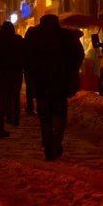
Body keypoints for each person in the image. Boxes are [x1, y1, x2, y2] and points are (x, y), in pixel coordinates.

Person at [25, 14, 85, 161]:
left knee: (44, 117)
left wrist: (31, 80)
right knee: (59, 115)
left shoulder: (34, 37)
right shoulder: (66, 36)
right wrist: (72, 69)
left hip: (41, 83)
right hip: (60, 83)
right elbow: (79, 54)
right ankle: (56, 141)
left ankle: (48, 146)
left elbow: (26, 60)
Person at [0, 21, 25, 126]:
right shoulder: (18, 39)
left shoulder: (1, 41)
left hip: (5, 71)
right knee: (15, 95)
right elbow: (24, 54)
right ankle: (16, 117)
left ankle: (9, 116)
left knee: (7, 95)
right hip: (17, 71)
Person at [24, 26, 37, 115]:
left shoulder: (25, 43)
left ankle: (30, 107)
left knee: (29, 88)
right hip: (38, 69)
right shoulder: (39, 42)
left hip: (28, 69)